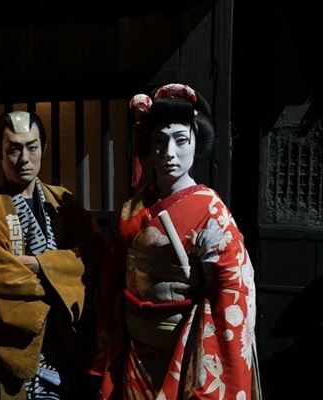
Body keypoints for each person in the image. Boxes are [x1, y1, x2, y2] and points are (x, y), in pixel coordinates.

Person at [90, 83, 261, 399]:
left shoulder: (212, 213)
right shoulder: (130, 210)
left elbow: (232, 290)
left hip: (186, 351)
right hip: (134, 353)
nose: (169, 153)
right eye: (159, 141)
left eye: (181, 140)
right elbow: (110, 282)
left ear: (197, 142)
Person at [0, 111, 103, 399]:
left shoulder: (64, 202)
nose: (24, 158)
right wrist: (62, 277)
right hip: (14, 358)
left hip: (66, 353)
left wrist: (39, 264)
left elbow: (92, 257)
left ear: (44, 148)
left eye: (32, 147)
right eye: (14, 149)